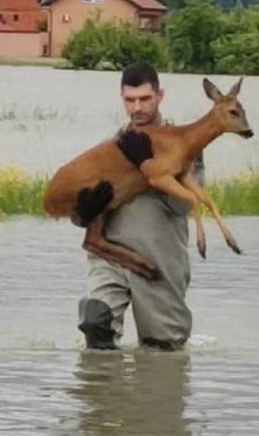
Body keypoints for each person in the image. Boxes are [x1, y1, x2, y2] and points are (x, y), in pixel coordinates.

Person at [73, 62, 203, 351]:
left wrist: (148, 166)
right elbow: (80, 216)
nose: (137, 108)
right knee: (96, 324)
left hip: (159, 261)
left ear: (160, 96)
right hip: (110, 257)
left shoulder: (184, 146)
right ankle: (105, 380)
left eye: (145, 99)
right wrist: (82, 212)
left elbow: (184, 205)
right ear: (121, 98)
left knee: (163, 352)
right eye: (130, 100)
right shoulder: (109, 148)